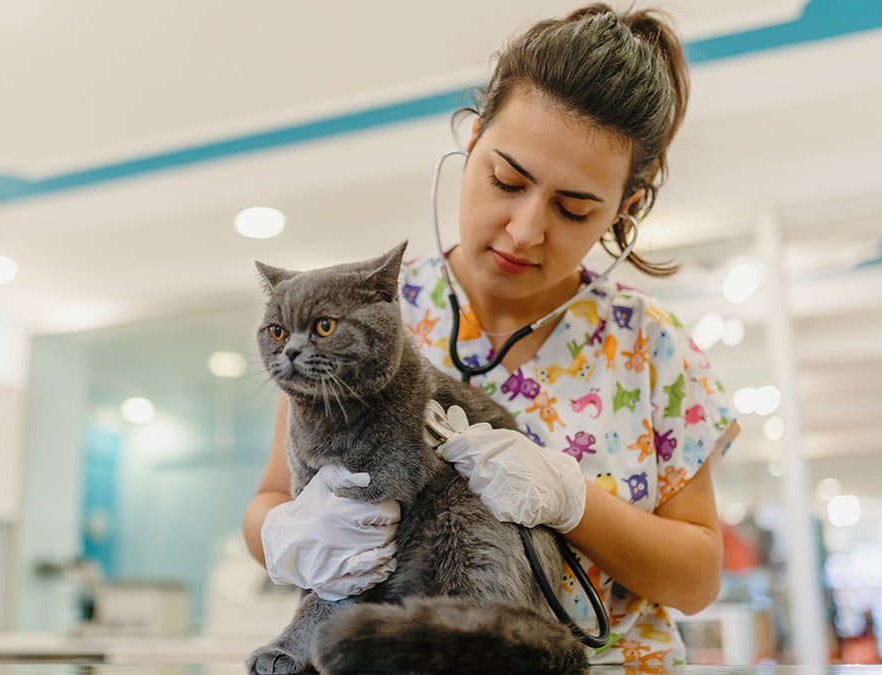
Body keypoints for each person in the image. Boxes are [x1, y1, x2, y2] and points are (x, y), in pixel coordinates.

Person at [243, 3, 740, 667]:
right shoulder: (357, 314)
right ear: (470, 140)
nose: (524, 229)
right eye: (507, 180)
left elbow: (697, 576)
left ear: (623, 210)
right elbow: (271, 498)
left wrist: (571, 499)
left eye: (574, 207)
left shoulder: (651, 346)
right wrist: (284, 534)